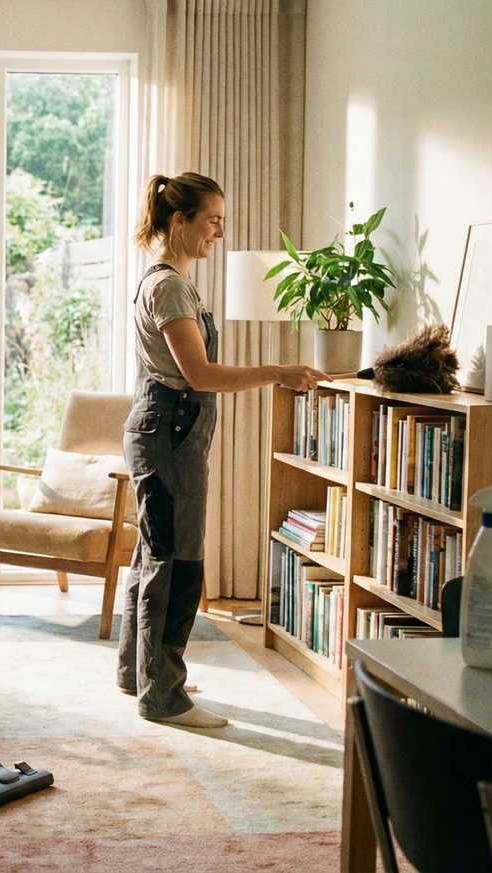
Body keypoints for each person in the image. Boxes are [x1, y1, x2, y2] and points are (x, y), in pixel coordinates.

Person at [119, 172, 326, 728]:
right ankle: (163, 695)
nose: (219, 230)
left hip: (165, 430)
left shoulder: (170, 282)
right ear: (179, 220)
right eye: (211, 219)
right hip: (170, 434)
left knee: (153, 552)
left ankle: (138, 673)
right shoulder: (168, 287)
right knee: (177, 560)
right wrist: (278, 372)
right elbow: (201, 374)